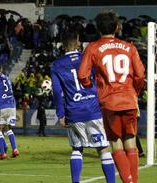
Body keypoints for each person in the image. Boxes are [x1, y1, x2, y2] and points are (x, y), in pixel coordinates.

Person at [78, 12, 145, 183]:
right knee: (130, 140)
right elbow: (140, 75)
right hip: (128, 100)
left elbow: (82, 75)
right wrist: (133, 93)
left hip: (109, 102)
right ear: (117, 27)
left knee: (115, 142)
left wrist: (93, 88)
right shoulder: (130, 48)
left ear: (99, 29)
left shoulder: (92, 48)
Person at [51, 29, 115, 183]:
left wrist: (60, 114)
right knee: (103, 148)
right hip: (94, 109)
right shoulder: (88, 58)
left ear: (62, 44)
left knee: (77, 148)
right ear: (78, 41)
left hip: (74, 111)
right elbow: (101, 80)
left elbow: (57, 92)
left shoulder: (56, 65)